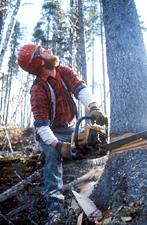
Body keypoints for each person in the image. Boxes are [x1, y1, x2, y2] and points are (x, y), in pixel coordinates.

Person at [17, 40, 108, 224]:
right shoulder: (38, 89)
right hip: (51, 131)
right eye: (42, 51)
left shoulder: (64, 72)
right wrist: (58, 146)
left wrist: (94, 108)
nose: (48, 50)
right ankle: (54, 211)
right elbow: (42, 127)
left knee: (90, 138)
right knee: (52, 156)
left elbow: (80, 89)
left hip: (70, 127)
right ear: (39, 61)